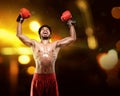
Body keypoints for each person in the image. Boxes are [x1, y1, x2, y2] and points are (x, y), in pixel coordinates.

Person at [16, 9, 76, 96]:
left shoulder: (56, 44)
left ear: (50, 34)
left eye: (47, 29)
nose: (45, 30)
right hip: (38, 77)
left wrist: (70, 23)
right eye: (42, 29)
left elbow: (72, 38)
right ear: (39, 34)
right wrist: (20, 20)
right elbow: (19, 35)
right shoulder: (34, 43)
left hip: (51, 77)